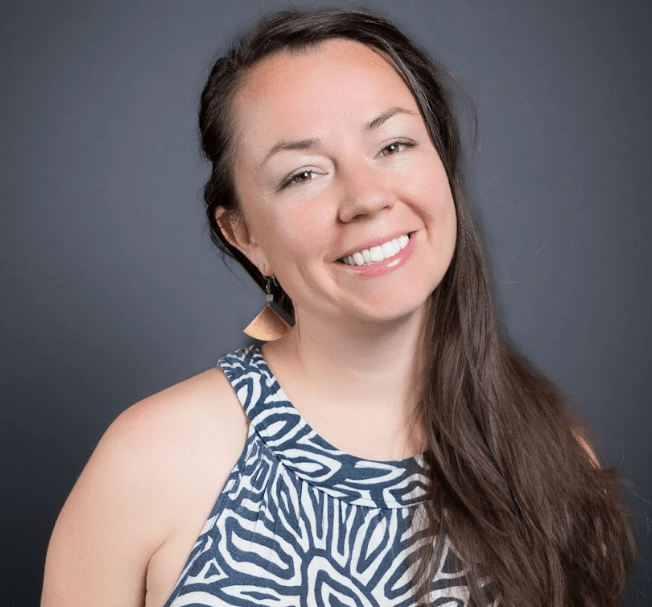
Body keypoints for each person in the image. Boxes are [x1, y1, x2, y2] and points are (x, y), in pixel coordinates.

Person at [40, 8, 636, 607]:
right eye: (302, 174)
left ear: (443, 163)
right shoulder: (151, 459)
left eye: (394, 144)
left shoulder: (556, 460)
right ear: (243, 234)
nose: (365, 198)